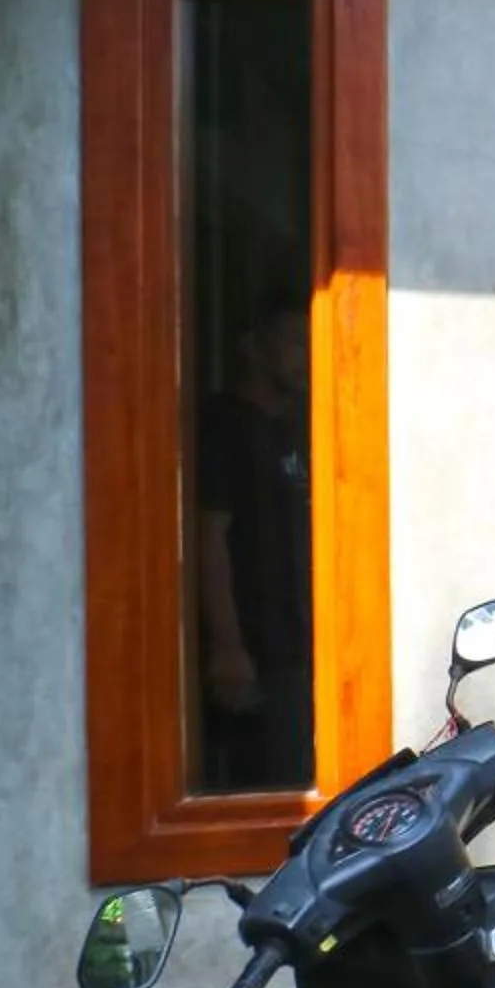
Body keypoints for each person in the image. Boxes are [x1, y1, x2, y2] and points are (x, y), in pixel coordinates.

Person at [198, 292, 312, 792]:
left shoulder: (294, 428)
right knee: (270, 790)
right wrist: (227, 646)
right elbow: (207, 536)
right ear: (251, 345)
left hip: (298, 644)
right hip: (255, 650)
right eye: (294, 342)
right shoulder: (224, 426)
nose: (307, 355)